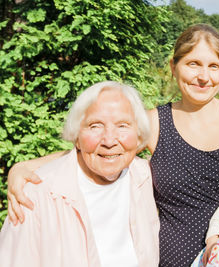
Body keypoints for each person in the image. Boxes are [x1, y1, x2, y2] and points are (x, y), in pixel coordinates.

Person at [6, 24, 219, 266]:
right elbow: (100, 149)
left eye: (213, 66)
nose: (203, 76)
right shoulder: (154, 123)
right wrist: (26, 167)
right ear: (173, 66)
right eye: (193, 63)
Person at [0, 81, 160, 267]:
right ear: (76, 136)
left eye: (122, 126)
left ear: (139, 135)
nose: (109, 140)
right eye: (95, 126)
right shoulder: (35, 197)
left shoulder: (145, 176)